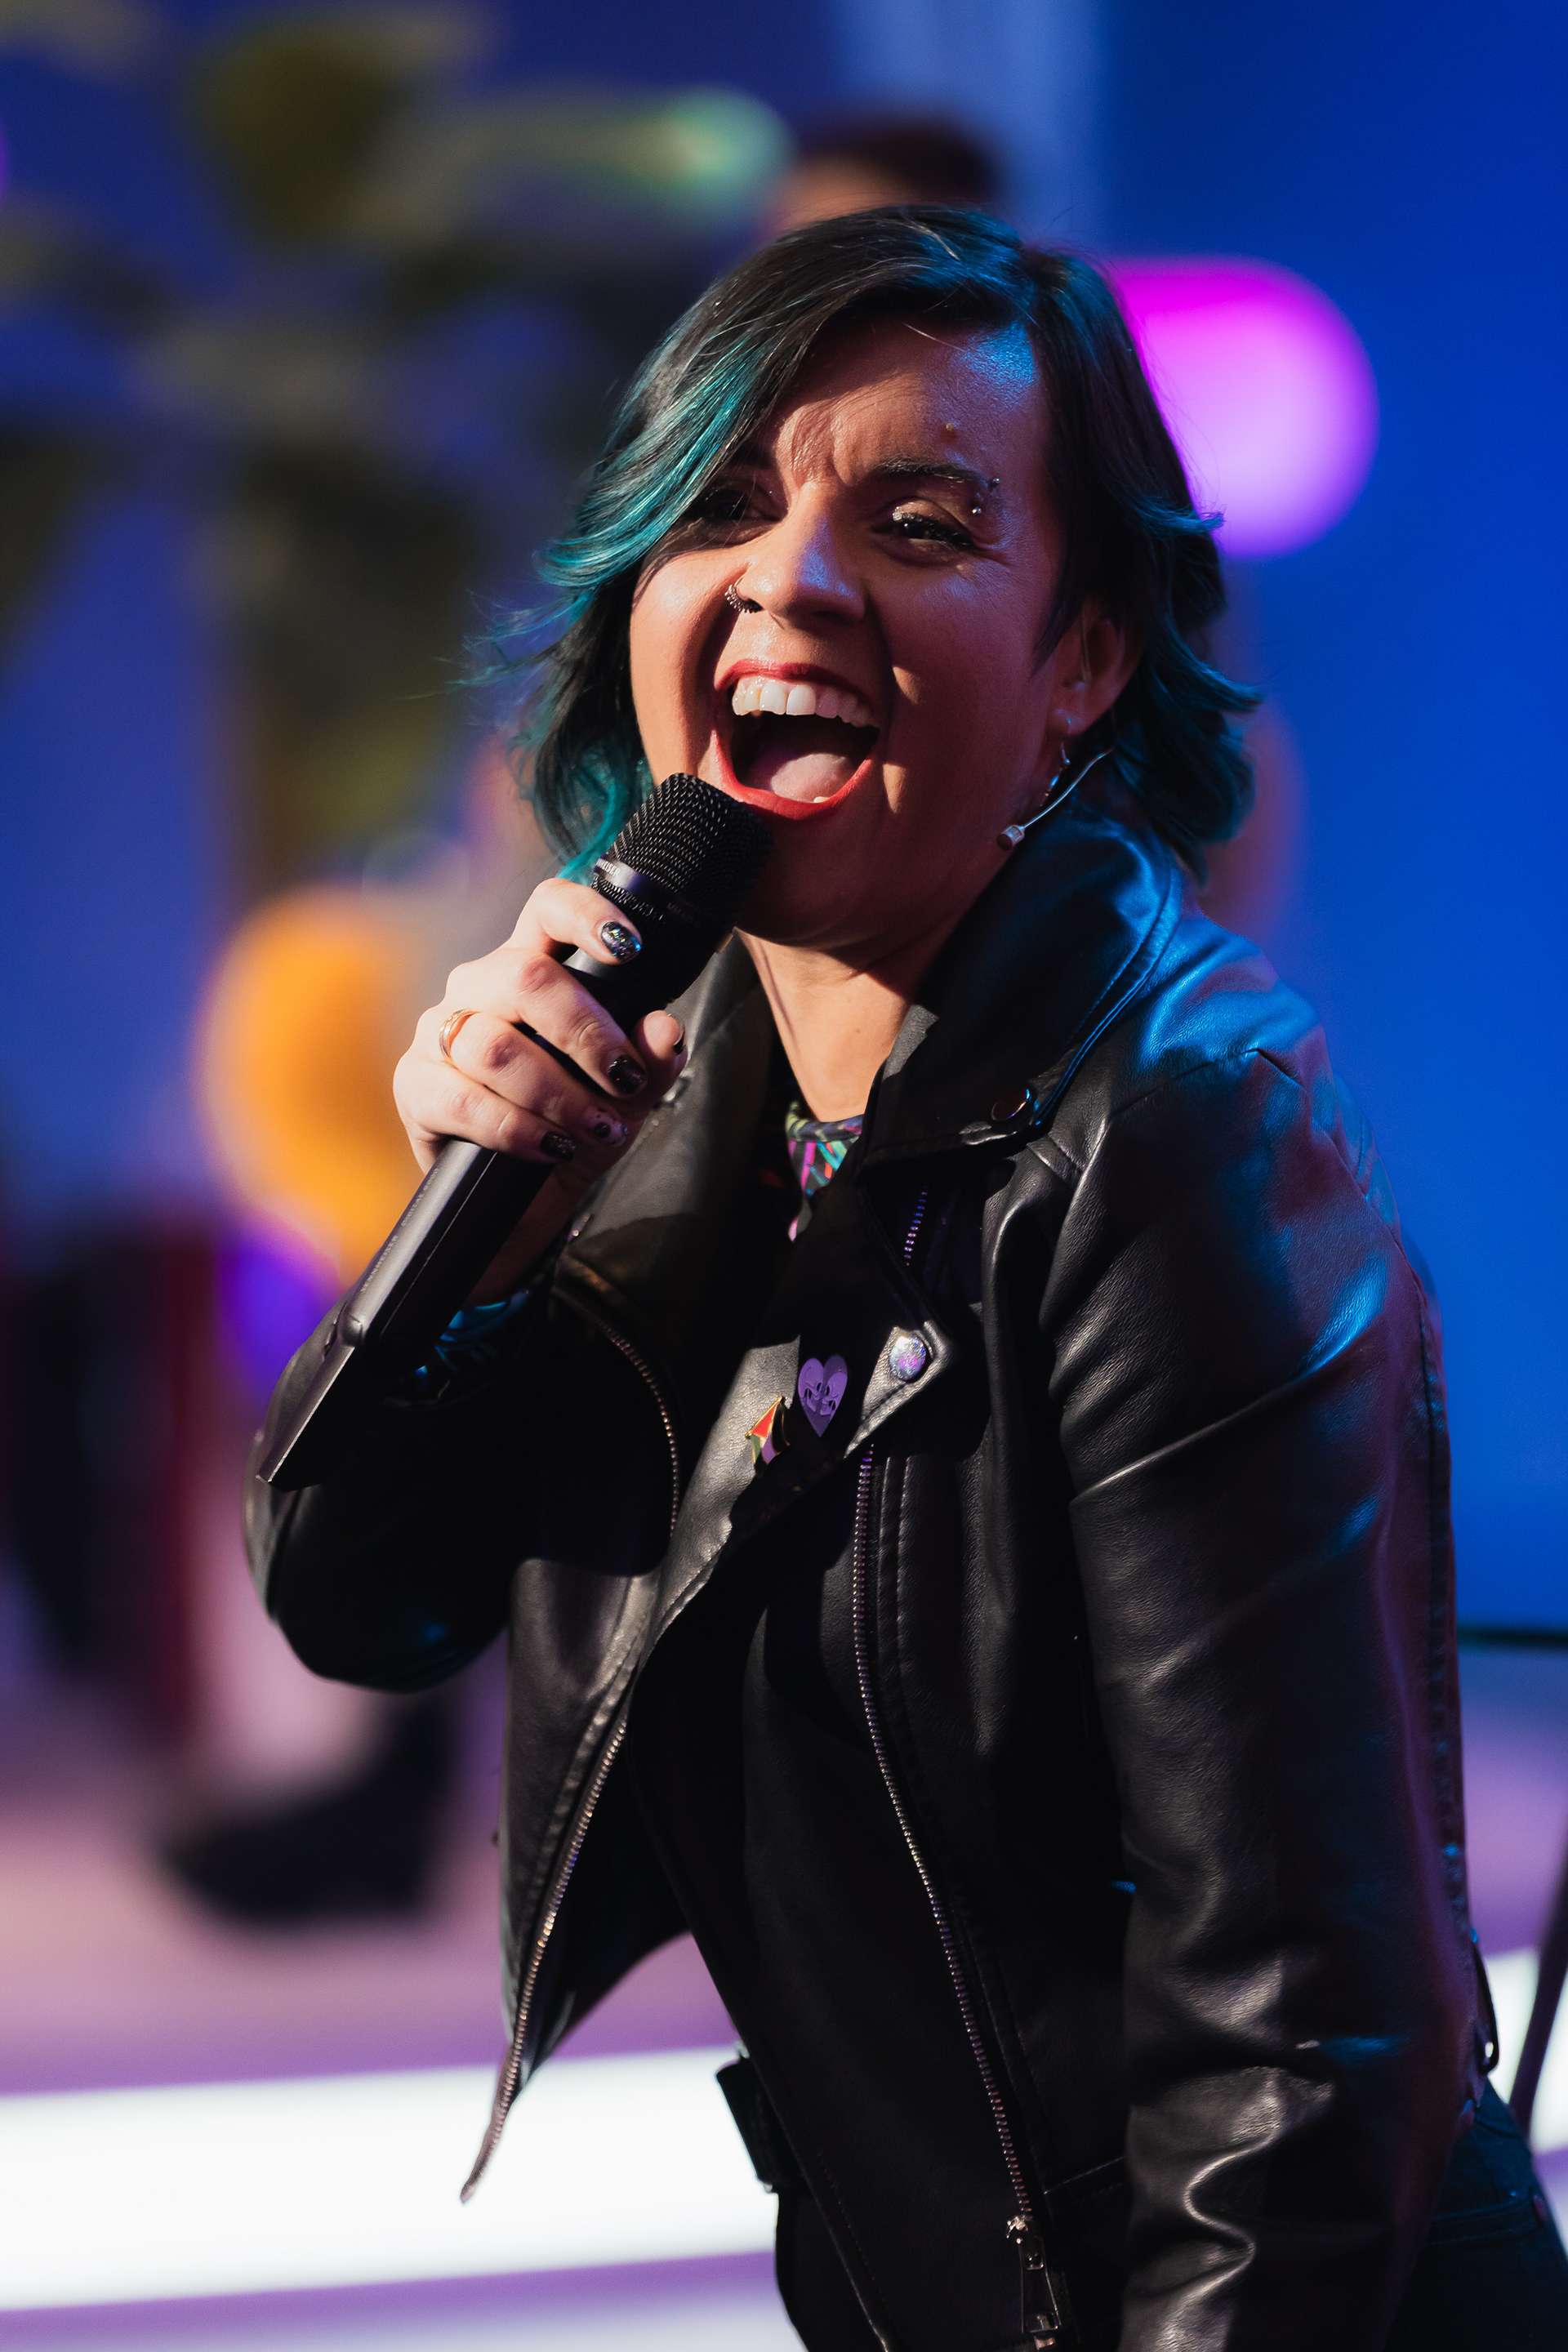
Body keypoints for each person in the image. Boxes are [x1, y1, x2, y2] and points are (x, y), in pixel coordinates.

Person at [245, 207, 1568, 2350]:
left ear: (1083, 663)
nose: (792, 576)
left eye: (924, 522)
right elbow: (353, 1595)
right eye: (726, 506)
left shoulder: (1182, 1131)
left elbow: (1301, 2048)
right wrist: (489, 1226)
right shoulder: (672, 1098)